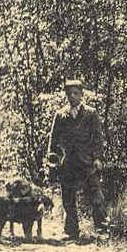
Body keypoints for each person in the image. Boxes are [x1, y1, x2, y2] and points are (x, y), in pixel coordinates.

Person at [44, 78, 107, 239]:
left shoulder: (90, 113)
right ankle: (71, 231)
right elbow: (53, 140)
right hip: (68, 163)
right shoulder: (60, 115)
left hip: (88, 162)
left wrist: (98, 158)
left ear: (81, 94)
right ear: (66, 95)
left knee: (96, 195)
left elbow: (98, 138)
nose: (72, 96)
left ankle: (101, 230)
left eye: (75, 93)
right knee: (68, 197)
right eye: (69, 93)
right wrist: (52, 161)